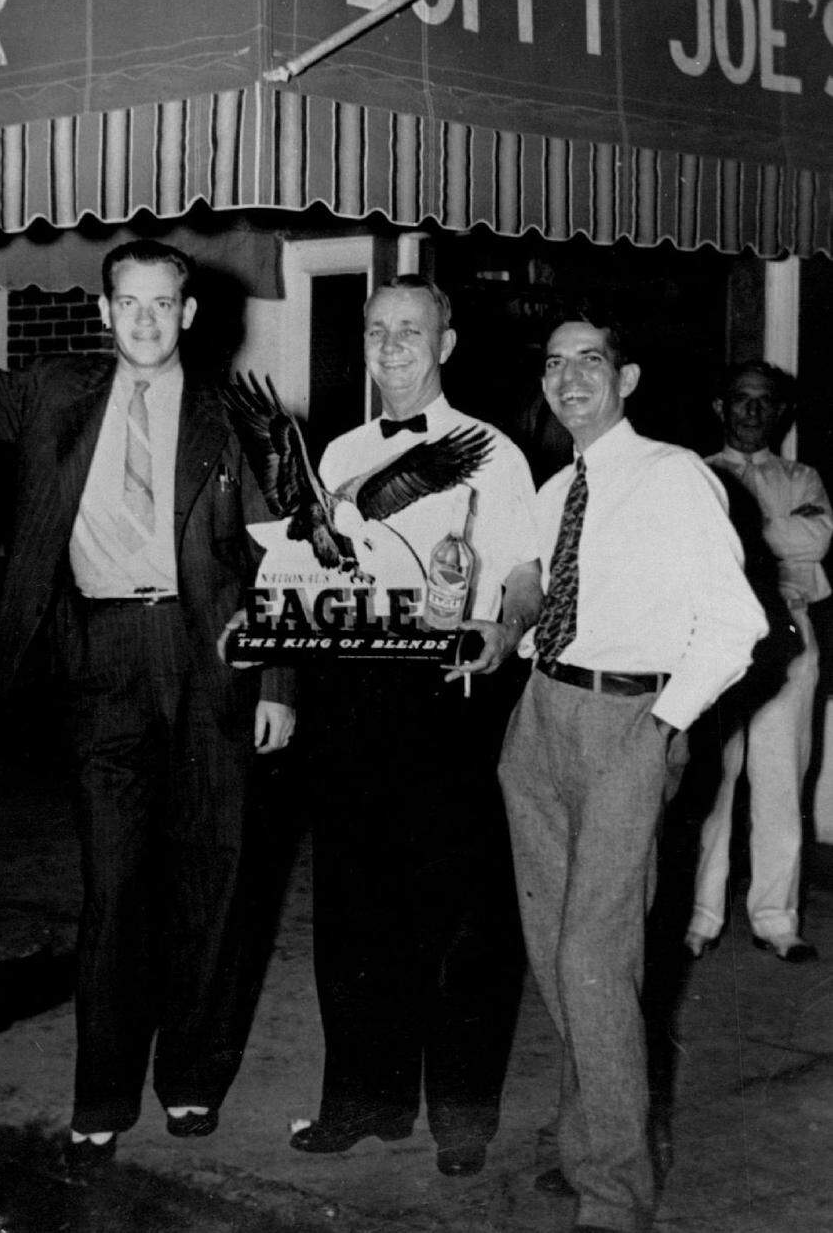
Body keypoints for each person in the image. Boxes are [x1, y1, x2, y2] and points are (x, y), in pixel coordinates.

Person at [0, 239, 295, 1171]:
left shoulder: (234, 417)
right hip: (98, 656)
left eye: (163, 305)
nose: (145, 321)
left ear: (190, 314)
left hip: (209, 656)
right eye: (129, 303)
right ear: (103, 311)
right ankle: (101, 1094)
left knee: (209, 878)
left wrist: (280, 684)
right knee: (114, 886)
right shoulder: (55, 391)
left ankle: (192, 1081)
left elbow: (282, 560)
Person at [498, 308, 767, 1233]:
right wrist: (502, 631)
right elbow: (545, 598)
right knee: (556, 956)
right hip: (540, 717)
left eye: (591, 362)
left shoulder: (674, 476)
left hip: (627, 722)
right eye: (555, 363)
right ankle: (593, 1144)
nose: (569, 378)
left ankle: (614, 1197)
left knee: (593, 963)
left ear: (629, 377)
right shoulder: (552, 485)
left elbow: (737, 627)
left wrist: (661, 726)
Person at [290, 275, 542, 1178]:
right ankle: (363, 1100)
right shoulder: (338, 453)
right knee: (356, 910)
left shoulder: (495, 453)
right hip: (355, 697)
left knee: (460, 919)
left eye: (412, 330)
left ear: (447, 343)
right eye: (377, 330)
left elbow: (523, 573)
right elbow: (313, 573)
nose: (393, 346)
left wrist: (504, 631)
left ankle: (462, 1119)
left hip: (451, 697)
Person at [684, 362, 831, 965]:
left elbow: (817, 540)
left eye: (764, 403)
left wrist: (738, 533)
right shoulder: (694, 474)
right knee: (711, 783)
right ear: (721, 408)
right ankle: (699, 916)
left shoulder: (802, 476)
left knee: (779, 780)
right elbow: (693, 546)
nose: (751, 412)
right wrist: (777, 532)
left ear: (779, 413)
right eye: (740, 400)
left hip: (789, 636)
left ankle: (777, 918)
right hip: (714, 639)